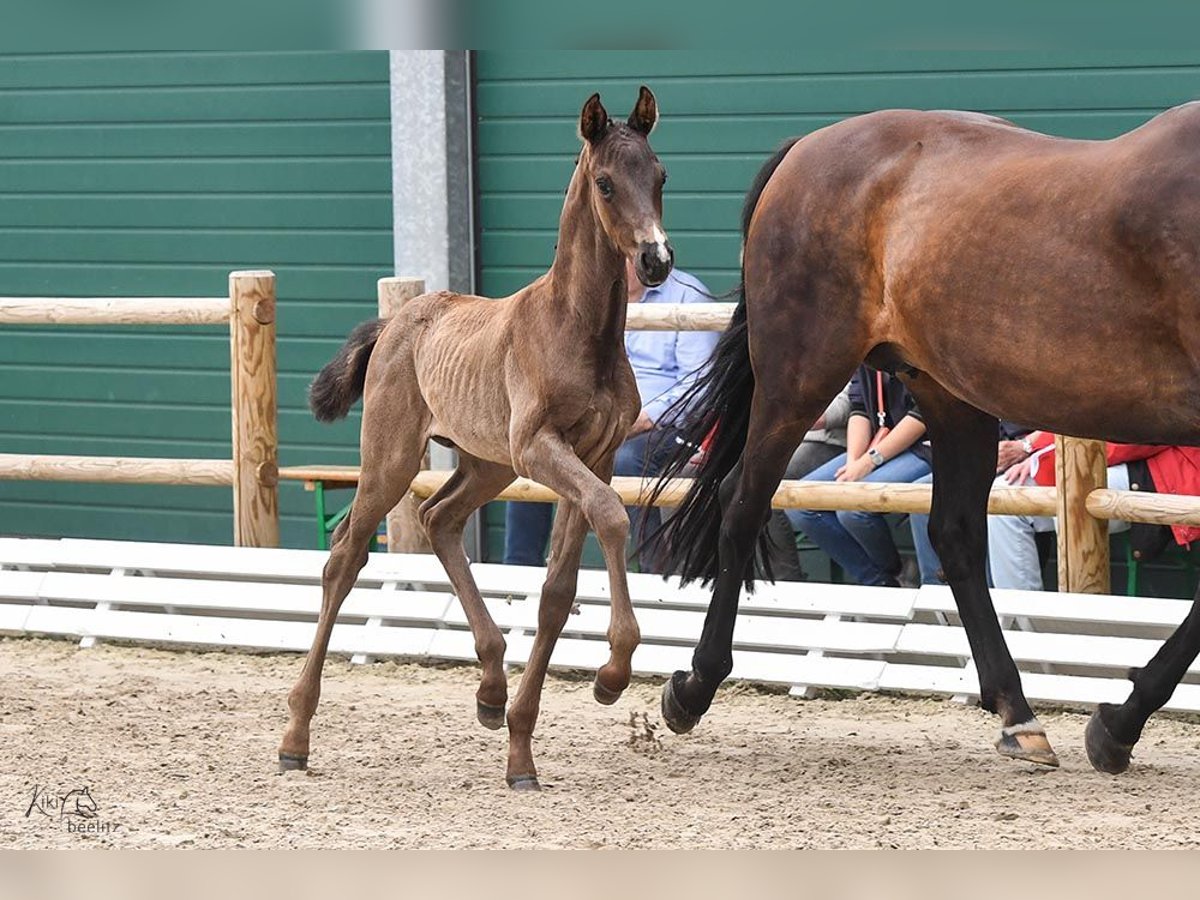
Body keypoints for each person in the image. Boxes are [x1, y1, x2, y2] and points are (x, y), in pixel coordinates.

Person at [503, 259, 719, 570]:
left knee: (628, 459)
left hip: (666, 425)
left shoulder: (687, 297)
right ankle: (518, 572)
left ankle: (652, 577)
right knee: (532, 455)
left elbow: (699, 387)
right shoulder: (589, 299)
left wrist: (641, 418)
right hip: (599, 417)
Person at [987, 433, 1200, 591]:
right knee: (1002, 495)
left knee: (1069, 506)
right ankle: (1025, 631)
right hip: (1126, 456)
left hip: (1169, 469)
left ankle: (1067, 628)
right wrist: (1033, 449)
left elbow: (1141, 434)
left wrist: (1040, 457)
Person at [787, 365, 931, 587]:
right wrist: (854, 461)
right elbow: (859, 408)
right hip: (878, 445)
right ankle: (882, 581)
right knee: (800, 504)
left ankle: (895, 574)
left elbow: (922, 415)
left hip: (926, 447)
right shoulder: (866, 347)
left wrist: (868, 461)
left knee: (853, 508)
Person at [908, 421, 1036, 585]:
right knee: (923, 494)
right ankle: (935, 589)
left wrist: (1026, 447)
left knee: (990, 499)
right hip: (983, 448)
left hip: (1031, 450)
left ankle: (988, 589)